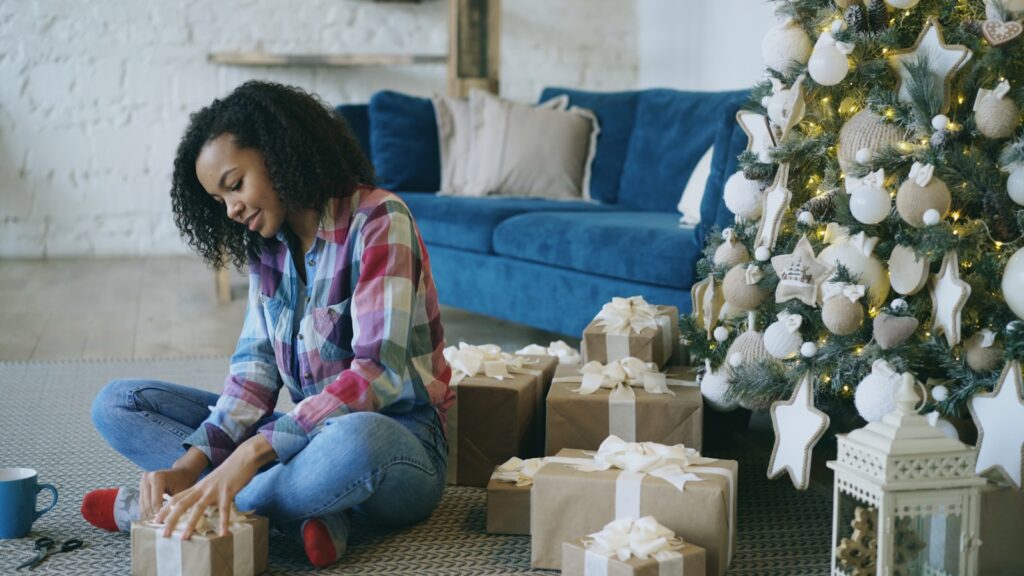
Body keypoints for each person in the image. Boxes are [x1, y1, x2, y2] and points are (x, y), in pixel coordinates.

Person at [81, 80, 453, 568]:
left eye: (235, 185)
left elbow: (377, 375)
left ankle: (161, 512)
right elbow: (253, 376)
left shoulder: (379, 219)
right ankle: (304, 514)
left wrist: (244, 460)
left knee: (356, 440)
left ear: (280, 152)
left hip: (400, 443)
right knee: (116, 403)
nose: (232, 210)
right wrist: (190, 463)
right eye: (219, 200)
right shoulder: (267, 247)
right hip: (304, 438)